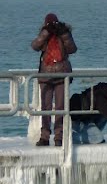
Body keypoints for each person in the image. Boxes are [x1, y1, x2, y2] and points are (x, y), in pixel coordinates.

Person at [30, 13, 78, 147]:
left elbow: (72, 49)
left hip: (55, 76)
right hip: (53, 76)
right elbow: (35, 46)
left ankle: (53, 137)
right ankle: (52, 137)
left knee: (55, 108)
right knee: (53, 108)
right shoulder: (47, 34)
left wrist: (64, 34)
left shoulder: (63, 34)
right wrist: (48, 33)